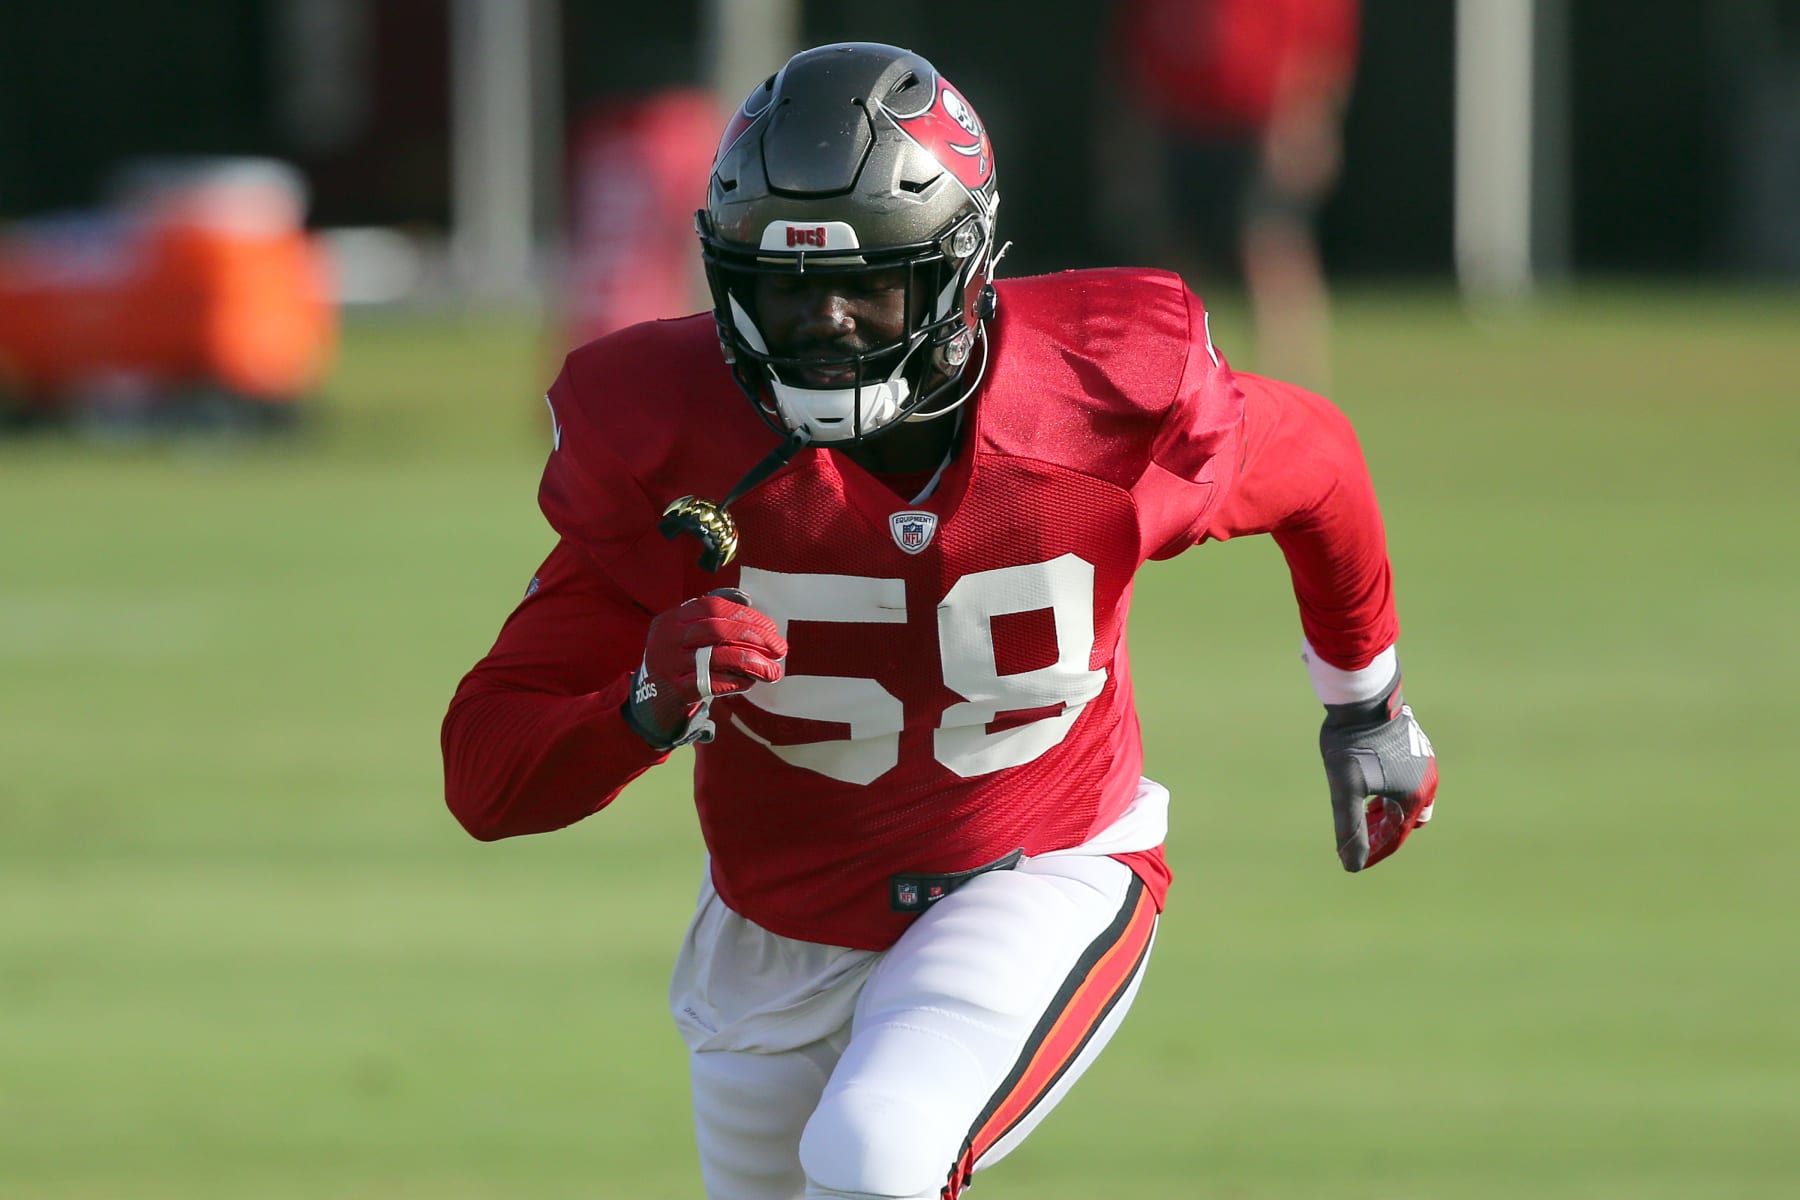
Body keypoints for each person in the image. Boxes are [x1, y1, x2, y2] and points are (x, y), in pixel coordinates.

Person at [441, 41, 1438, 1200]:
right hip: (776, 927)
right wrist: (641, 710)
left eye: (866, 283)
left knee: (878, 1154)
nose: (824, 325)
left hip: (1038, 866)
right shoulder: (666, 447)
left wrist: (1365, 703)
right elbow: (485, 779)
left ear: (961, 271)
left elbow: (1318, 466)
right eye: (783, 287)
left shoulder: (1100, 405)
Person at [1102, 0, 1361, 389]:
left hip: (1264, 120)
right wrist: (1130, 141)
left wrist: (1309, 117)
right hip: (1177, 120)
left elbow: (1324, 41)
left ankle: (1290, 390)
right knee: (1172, 264)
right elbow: (1134, 48)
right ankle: (1177, 391)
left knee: (1272, 246)